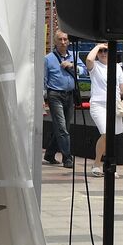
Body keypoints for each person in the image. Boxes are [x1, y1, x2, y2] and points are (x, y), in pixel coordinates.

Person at [85, 41, 123, 177]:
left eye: (106, 51)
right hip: (98, 104)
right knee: (105, 132)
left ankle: (109, 165)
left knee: (111, 137)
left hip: (114, 105)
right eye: (101, 51)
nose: (103, 53)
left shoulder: (117, 67)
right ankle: (96, 164)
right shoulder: (95, 66)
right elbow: (89, 59)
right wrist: (98, 46)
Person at [43, 29, 76, 169]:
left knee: (64, 127)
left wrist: (72, 65)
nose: (63, 42)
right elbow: (43, 80)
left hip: (69, 95)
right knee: (62, 127)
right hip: (55, 95)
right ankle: (67, 157)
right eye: (60, 40)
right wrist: (42, 100)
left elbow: (85, 70)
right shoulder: (48, 59)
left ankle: (50, 153)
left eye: (65, 39)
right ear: (55, 42)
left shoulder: (73, 56)